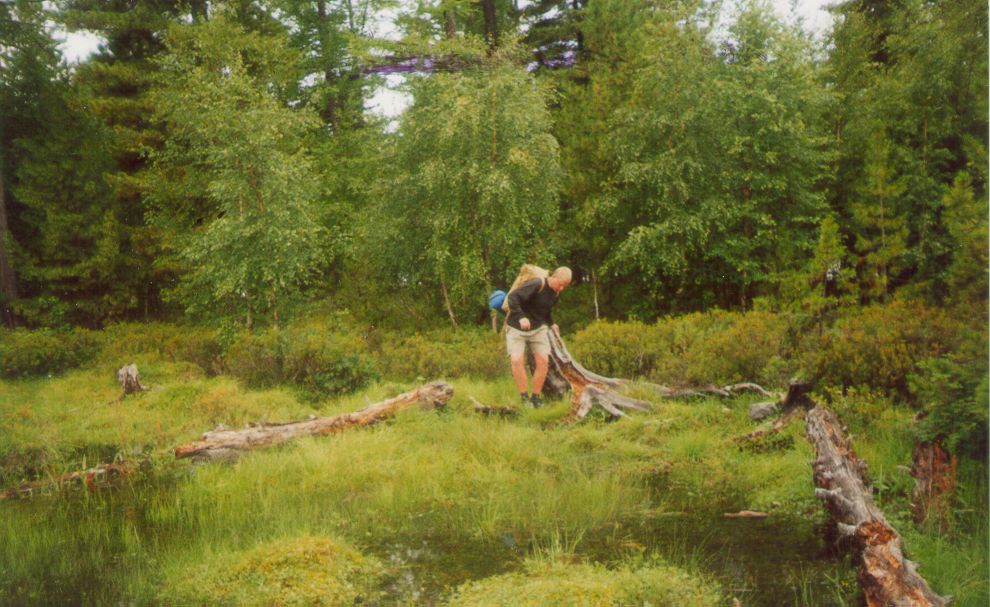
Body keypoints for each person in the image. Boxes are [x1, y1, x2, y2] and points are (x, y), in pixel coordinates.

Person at [505, 266, 572, 407]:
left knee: (543, 362)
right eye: (560, 285)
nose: (561, 289)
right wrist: (521, 317)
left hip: (538, 329)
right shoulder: (537, 284)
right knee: (517, 360)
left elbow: (545, 310)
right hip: (517, 328)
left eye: (564, 287)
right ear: (553, 277)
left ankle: (535, 398)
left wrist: (551, 323)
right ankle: (524, 398)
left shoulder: (555, 293)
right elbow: (513, 297)